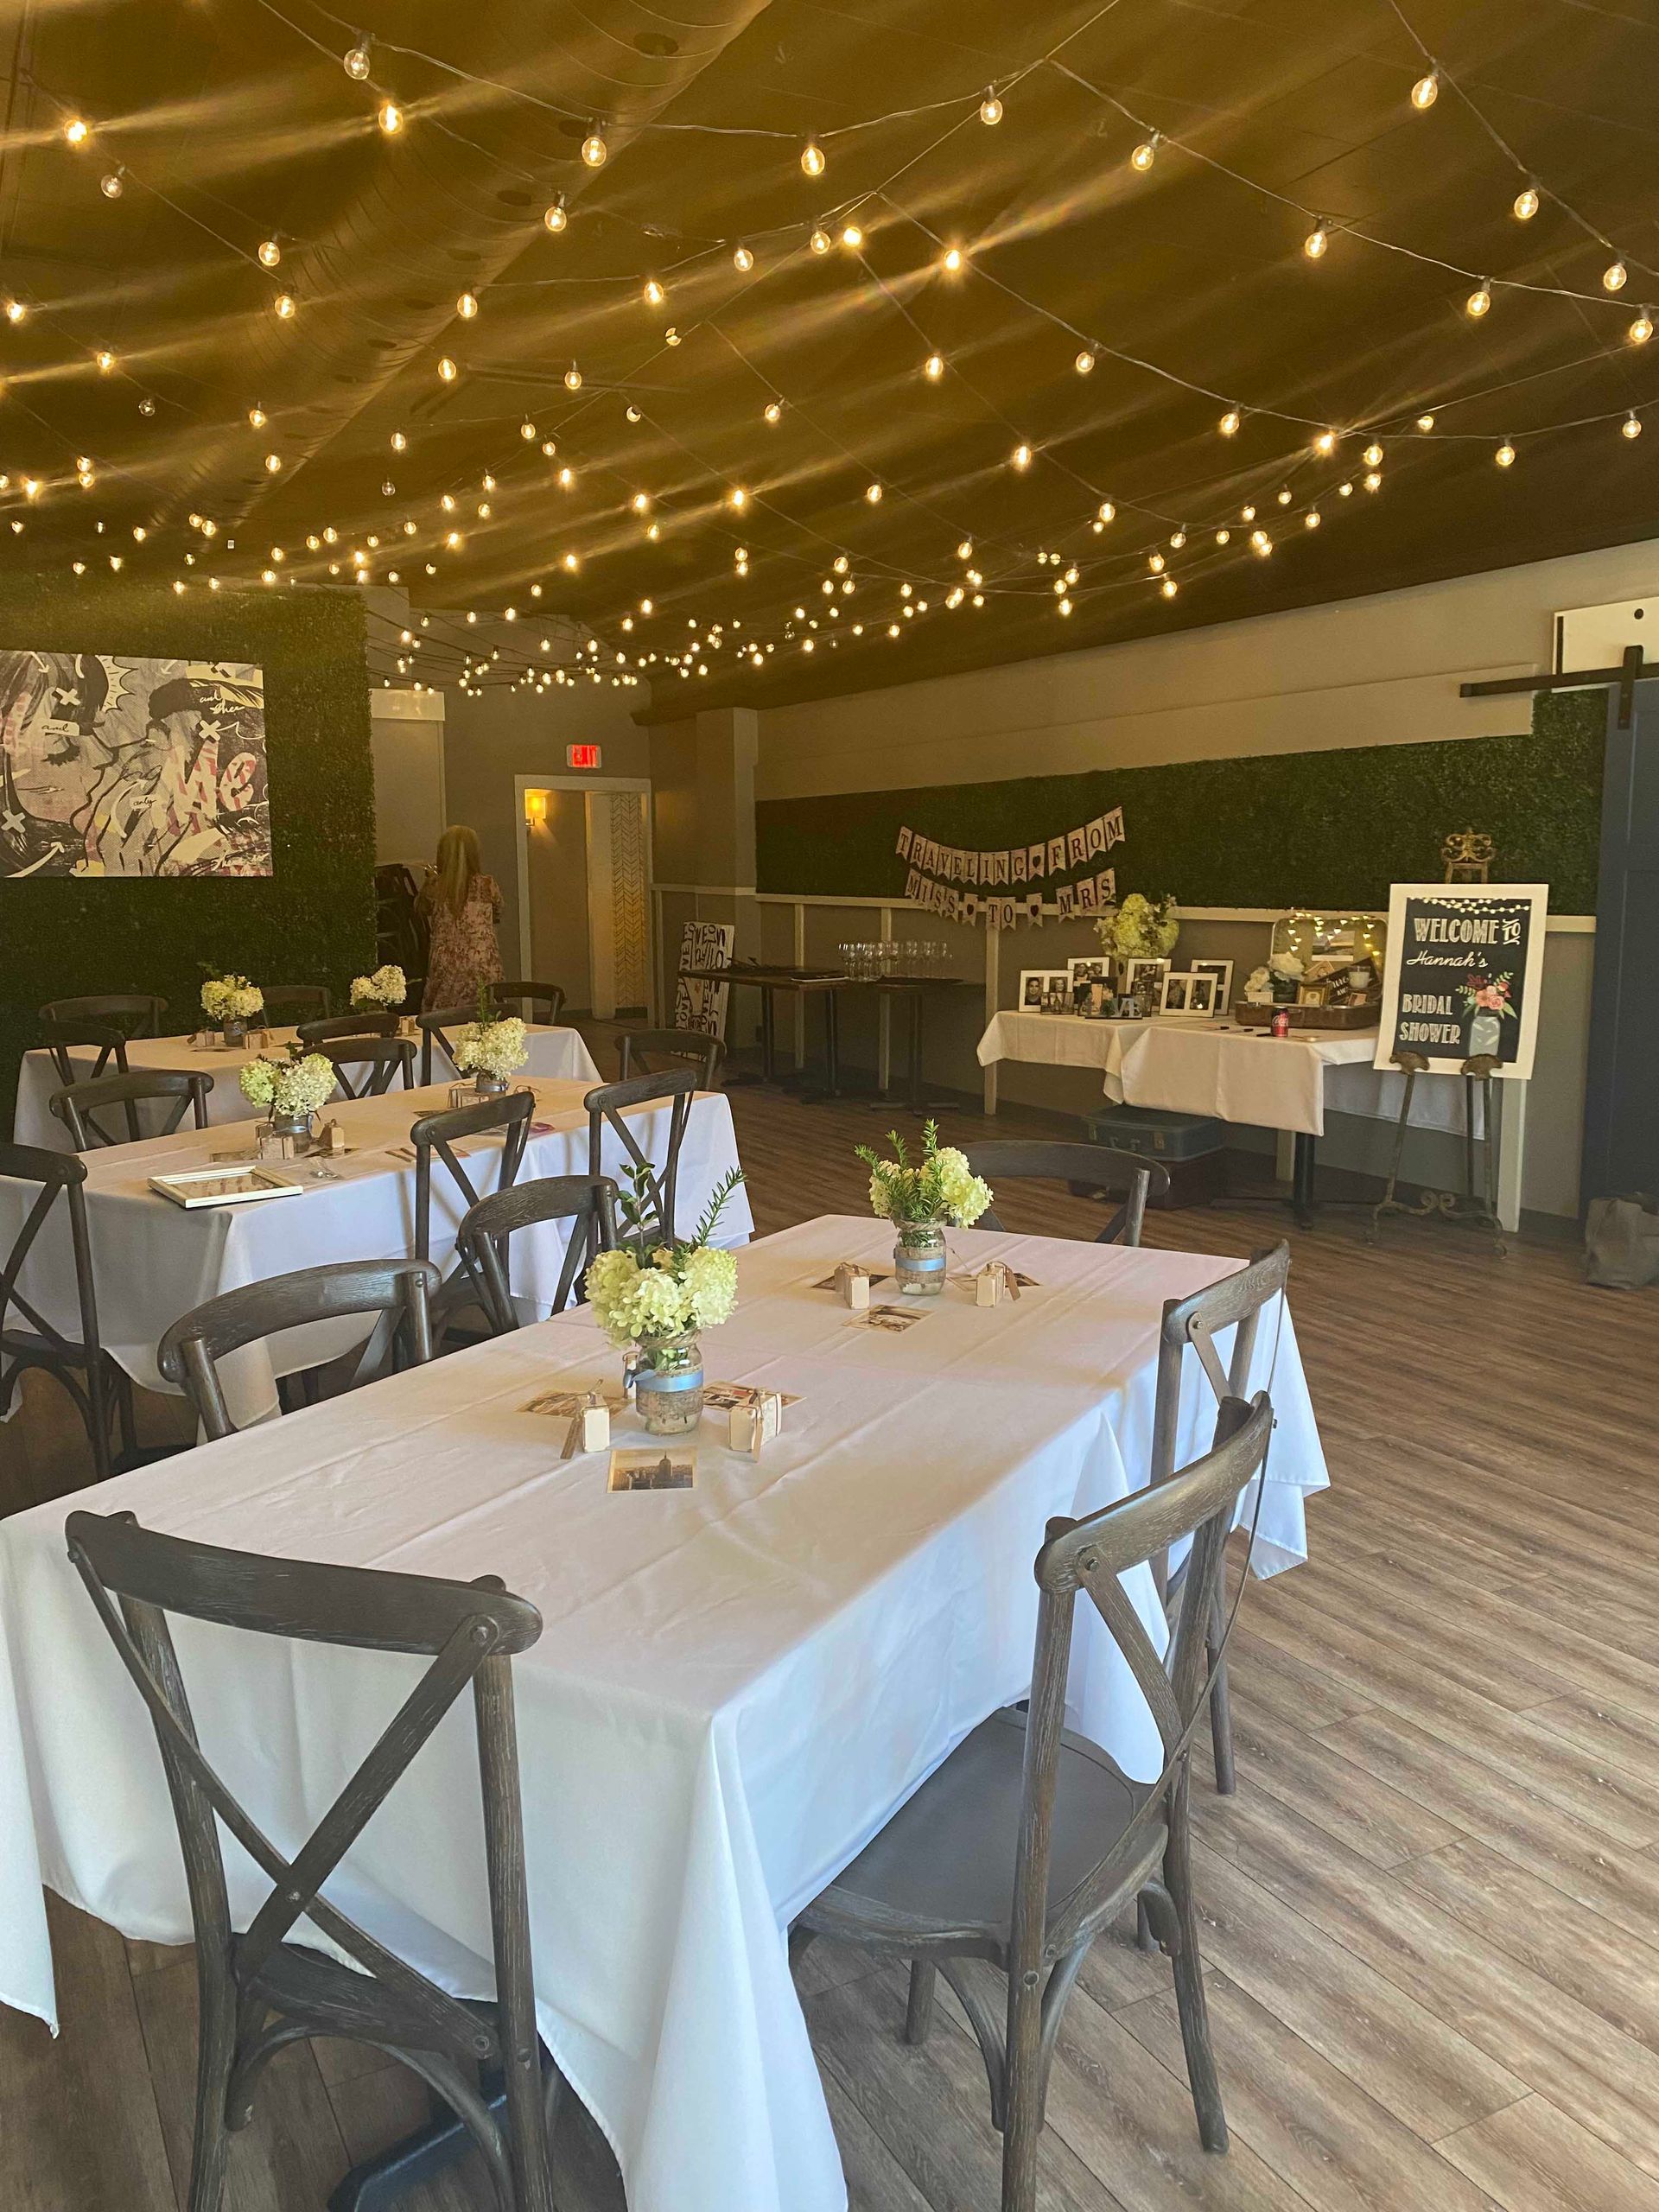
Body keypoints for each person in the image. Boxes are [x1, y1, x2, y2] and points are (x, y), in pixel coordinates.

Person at [419, 824, 504, 1010]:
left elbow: (421, 909)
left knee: (443, 1021)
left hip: (446, 965)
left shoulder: (435, 886)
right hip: (482, 963)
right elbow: (498, 913)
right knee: (485, 1019)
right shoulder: (487, 885)